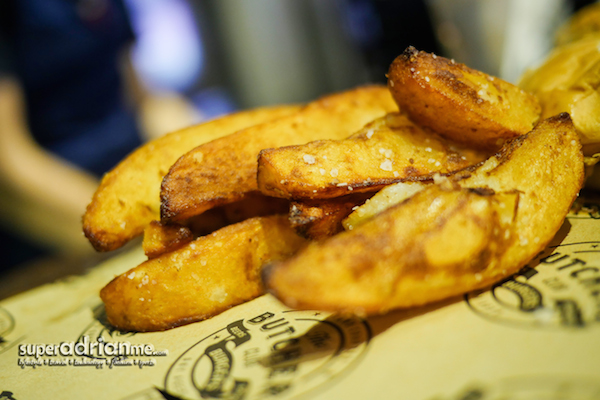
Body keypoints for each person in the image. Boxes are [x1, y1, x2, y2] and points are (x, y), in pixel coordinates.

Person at [0, 0, 198, 268]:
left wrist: (193, 157)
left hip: (132, 179)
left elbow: (141, 95)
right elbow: (11, 166)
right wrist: (124, 223)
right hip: (55, 209)